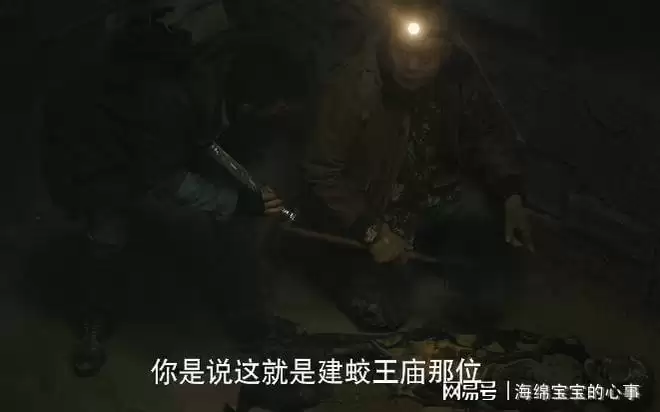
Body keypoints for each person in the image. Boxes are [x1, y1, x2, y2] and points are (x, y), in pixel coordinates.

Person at [41, 15, 290, 377]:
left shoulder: (215, 78)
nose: (279, 118)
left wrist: (244, 191)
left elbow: (203, 141)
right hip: (91, 151)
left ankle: (250, 319)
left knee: (226, 208)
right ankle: (93, 325)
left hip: (150, 135)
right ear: (249, 106)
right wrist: (237, 202)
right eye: (275, 110)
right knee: (108, 233)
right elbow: (164, 179)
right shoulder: (169, 100)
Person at [301, 0, 534, 331]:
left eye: (426, 57)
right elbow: (322, 171)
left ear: (445, 52)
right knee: (383, 314)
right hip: (371, 206)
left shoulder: (460, 75)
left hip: (429, 194)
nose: (411, 66)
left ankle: (435, 264)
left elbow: (486, 133)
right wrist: (371, 230)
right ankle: (339, 267)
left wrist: (511, 193)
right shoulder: (355, 85)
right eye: (402, 52)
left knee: (485, 300)